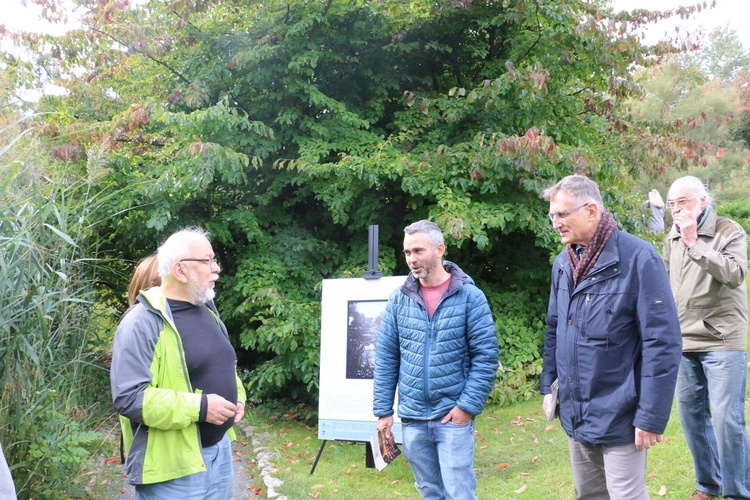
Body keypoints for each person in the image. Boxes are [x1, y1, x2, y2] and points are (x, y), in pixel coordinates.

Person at [540, 174, 682, 499]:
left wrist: (651, 415)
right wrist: (549, 384)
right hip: (577, 411)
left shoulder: (638, 259)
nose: (555, 223)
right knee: (588, 495)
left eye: (562, 214)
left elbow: (663, 343)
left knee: (625, 495)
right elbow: (555, 327)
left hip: (622, 414)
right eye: (552, 216)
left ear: (591, 211)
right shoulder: (564, 263)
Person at [110, 227, 246, 499]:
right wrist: (201, 407)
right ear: (181, 271)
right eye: (207, 261)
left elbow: (222, 364)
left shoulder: (207, 310)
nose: (216, 268)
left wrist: (238, 397)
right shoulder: (141, 323)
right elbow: (129, 397)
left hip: (219, 453)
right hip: (174, 472)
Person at [373, 220, 499, 500]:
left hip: (452, 416)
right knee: (429, 492)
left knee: (459, 493)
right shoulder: (398, 300)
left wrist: (466, 407)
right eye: (407, 253)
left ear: (440, 249)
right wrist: (383, 411)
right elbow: (386, 358)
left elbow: (486, 357)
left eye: (418, 251)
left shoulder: (470, 297)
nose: (412, 259)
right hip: (413, 417)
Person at [664, 176, 750, 500]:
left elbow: (734, 274)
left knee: (728, 421)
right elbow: (668, 283)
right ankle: (708, 484)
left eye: (682, 202)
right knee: (691, 418)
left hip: (721, 338)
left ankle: (738, 493)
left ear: (702, 201)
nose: (676, 209)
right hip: (683, 341)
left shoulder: (730, 231)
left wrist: (694, 243)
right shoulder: (672, 236)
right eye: (672, 204)